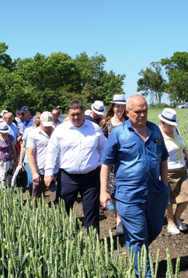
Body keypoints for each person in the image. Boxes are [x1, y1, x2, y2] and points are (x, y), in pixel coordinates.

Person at [100, 95, 169, 278]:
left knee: (154, 229)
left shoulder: (154, 130)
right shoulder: (118, 133)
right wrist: (103, 191)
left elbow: (163, 158)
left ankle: (136, 251)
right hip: (129, 196)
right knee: (138, 236)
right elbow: (105, 163)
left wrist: (165, 186)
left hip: (155, 193)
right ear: (127, 112)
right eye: (137, 111)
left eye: (145, 110)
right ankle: (143, 274)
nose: (142, 115)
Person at [44, 100, 106, 233]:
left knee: (91, 210)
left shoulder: (94, 128)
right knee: (63, 208)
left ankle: (93, 243)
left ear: (84, 112)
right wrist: (48, 172)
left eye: (78, 114)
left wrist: (104, 165)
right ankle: (61, 238)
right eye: (72, 115)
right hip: (67, 177)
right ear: (68, 114)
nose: (75, 118)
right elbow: (51, 151)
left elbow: (103, 148)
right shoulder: (61, 129)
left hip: (91, 177)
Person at [158, 108, 188, 234]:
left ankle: (178, 219)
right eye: (169, 124)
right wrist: (159, 174)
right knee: (169, 199)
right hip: (168, 170)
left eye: (173, 124)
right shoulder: (158, 134)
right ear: (162, 121)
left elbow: (182, 147)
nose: (172, 126)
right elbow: (156, 155)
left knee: (186, 196)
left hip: (181, 168)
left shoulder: (176, 130)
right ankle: (170, 223)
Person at [100, 94, 128, 235]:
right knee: (116, 194)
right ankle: (119, 221)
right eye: (117, 106)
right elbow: (102, 144)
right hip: (112, 164)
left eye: (122, 106)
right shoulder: (106, 123)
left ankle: (127, 220)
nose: (120, 108)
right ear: (113, 107)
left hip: (127, 162)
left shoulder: (129, 122)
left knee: (126, 192)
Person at [27, 112, 56, 198]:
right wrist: (34, 172)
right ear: (40, 121)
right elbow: (30, 154)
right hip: (40, 171)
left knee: (60, 197)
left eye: (49, 124)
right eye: (45, 124)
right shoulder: (33, 134)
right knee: (37, 198)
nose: (47, 127)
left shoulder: (57, 132)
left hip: (56, 170)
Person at [19, 114, 41, 196]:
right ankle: (32, 196)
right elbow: (23, 146)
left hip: (40, 159)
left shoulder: (44, 130)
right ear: (34, 122)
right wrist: (20, 160)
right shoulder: (28, 131)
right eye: (37, 124)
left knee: (40, 180)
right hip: (28, 159)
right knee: (31, 179)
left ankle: (38, 196)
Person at [0, 122, 18, 189]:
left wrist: (16, 161)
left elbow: (14, 149)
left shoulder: (11, 137)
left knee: (11, 177)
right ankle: (4, 191)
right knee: (3, 177)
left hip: (11, 160)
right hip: (1, 161)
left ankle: (11, 191)